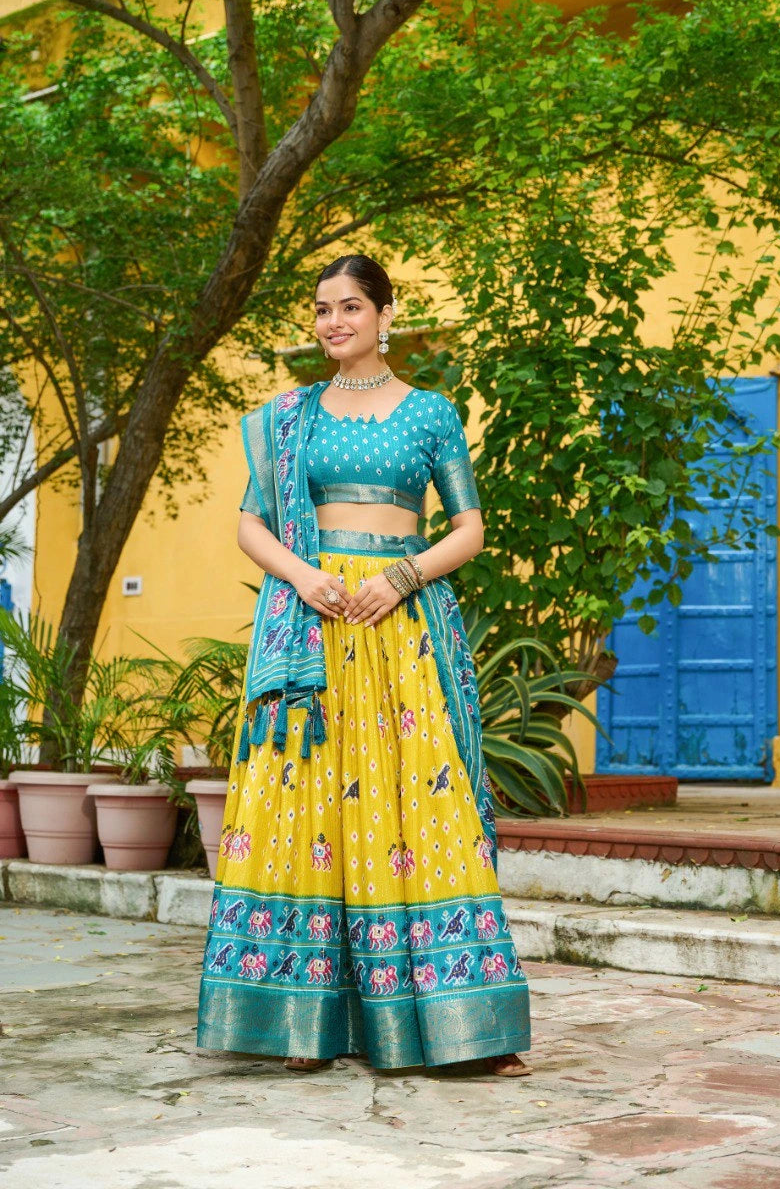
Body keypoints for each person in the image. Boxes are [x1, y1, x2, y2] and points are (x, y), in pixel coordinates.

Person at [196, 253, 532, 1077]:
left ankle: (458, 1020)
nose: (333, 322)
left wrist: (400, 577)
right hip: (309, 627)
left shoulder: (430, 414)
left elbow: (468, 529)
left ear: (386, 314)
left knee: (418, 804)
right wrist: (306, 576)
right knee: (306, 806)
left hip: (399, 626)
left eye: (350, 306)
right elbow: (251, 524)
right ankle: (301, 1021)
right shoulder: (288, 415)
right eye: (321, 309)